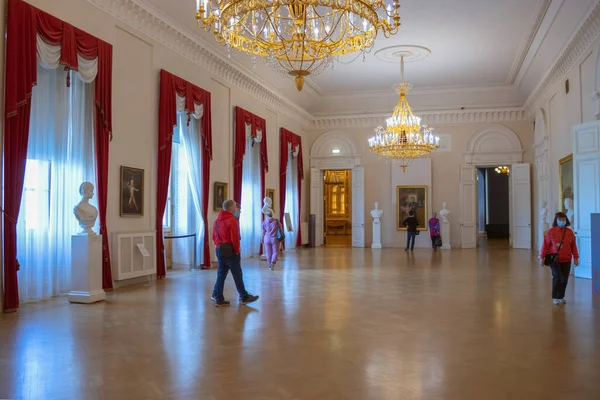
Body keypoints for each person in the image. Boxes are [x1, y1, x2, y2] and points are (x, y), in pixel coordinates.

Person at [211, 199, 259, 307]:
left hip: (220, 249)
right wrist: (237, 251)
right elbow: (235, 238)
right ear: (231, 208)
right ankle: (244, 296)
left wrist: (219, 245)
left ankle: (218, 297)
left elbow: (214, 236)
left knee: (221, 274)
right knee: (237, 274)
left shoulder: (217, 221)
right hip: (230, 250)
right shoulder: (232, 220)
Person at [540, 212, 579, 305]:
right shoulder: (551, 232)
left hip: (567, 259)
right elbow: (545, 246)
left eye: (563, 220)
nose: (562, 221)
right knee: (557, 277)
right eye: (560, 220)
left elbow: (573, 246)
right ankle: (555, 296)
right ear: (556, 221)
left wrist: (576, 257)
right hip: (555, 260)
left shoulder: (569, 232)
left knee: (564, 279)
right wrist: (541, 257)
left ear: (566, 221)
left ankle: (561, 296)